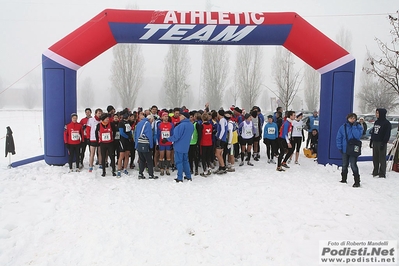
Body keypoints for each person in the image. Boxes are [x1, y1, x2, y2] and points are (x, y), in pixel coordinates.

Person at [163, 112, 194, 182]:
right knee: (185, 161)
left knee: (179, 162)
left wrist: (167, 139)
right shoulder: (191, 125)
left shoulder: (181, 126)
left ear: (184, 117)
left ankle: (180, 177)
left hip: (179, 146)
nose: (179, 116)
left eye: (180, 115)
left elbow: (176, 137)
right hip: (186, 146)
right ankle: (188, 176)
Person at [336, 113, 363, 187]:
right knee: (344, 164)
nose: (352, 120)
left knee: (353, 164)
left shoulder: (358, 127)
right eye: (351, 118)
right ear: (347, 118)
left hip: (354, 149)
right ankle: (344, 179)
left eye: (354, 118)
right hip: (345, 149)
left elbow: (357, 136)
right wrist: (339, 147)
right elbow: (339, 137)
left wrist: (354, 127)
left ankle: (357, 181)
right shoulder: (343, 127)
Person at [370, 108, 391, 178]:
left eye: (378, 113)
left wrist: (384, 142)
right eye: (376, 113)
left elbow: (387, 134)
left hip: (381, 142)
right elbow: (373, 132)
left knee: (381, 158)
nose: (376, 115)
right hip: (375, 141)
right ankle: (375, 171)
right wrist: (371, 140)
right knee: (375, 157)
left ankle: (382, 172)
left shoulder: (386, 123)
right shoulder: (376, 122)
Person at [135, 114, 158, 179]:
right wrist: (151, 145)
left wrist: (136, 144)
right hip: (145, 143)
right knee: (149, 160)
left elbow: (136, 133)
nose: (152, 122)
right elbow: (149, 135)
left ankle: (140, 173)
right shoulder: (147, 124)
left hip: (139, 143)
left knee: (142, 159)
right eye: (152, 121)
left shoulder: (139, 123)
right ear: (150, 119)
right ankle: (151, 175)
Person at [157, 111, 174, 176]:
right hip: (161, 143)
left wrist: (172, 142)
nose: (166, 118)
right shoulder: (159, 124)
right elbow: (158, 135)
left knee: (168, 156)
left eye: (167, 116)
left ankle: (167, 169)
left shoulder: (171, 124)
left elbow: (172, 134)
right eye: (165, 116)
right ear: (162, 117)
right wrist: (157, 144)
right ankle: (161, 169)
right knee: (161, 156)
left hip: (168, 142)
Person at [117, 111, 133, 177]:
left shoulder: (128, 123)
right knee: (121, 155)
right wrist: (127, 137)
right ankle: (118, 169)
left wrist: (131, 137)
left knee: (127, 155)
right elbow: (121, 132)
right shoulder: (121, 123)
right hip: (123, 141)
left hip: (128, 141)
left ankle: (125, 168)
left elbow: (130, 131)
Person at [198, 112, 213, 176]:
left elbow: (200, 135)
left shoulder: (201, 126)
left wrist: (198, 142)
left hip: (203, 143)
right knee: (208, 157)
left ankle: (205, 170)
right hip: (210, 143)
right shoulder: (210, 125)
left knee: (203, 157)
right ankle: (209, 168)